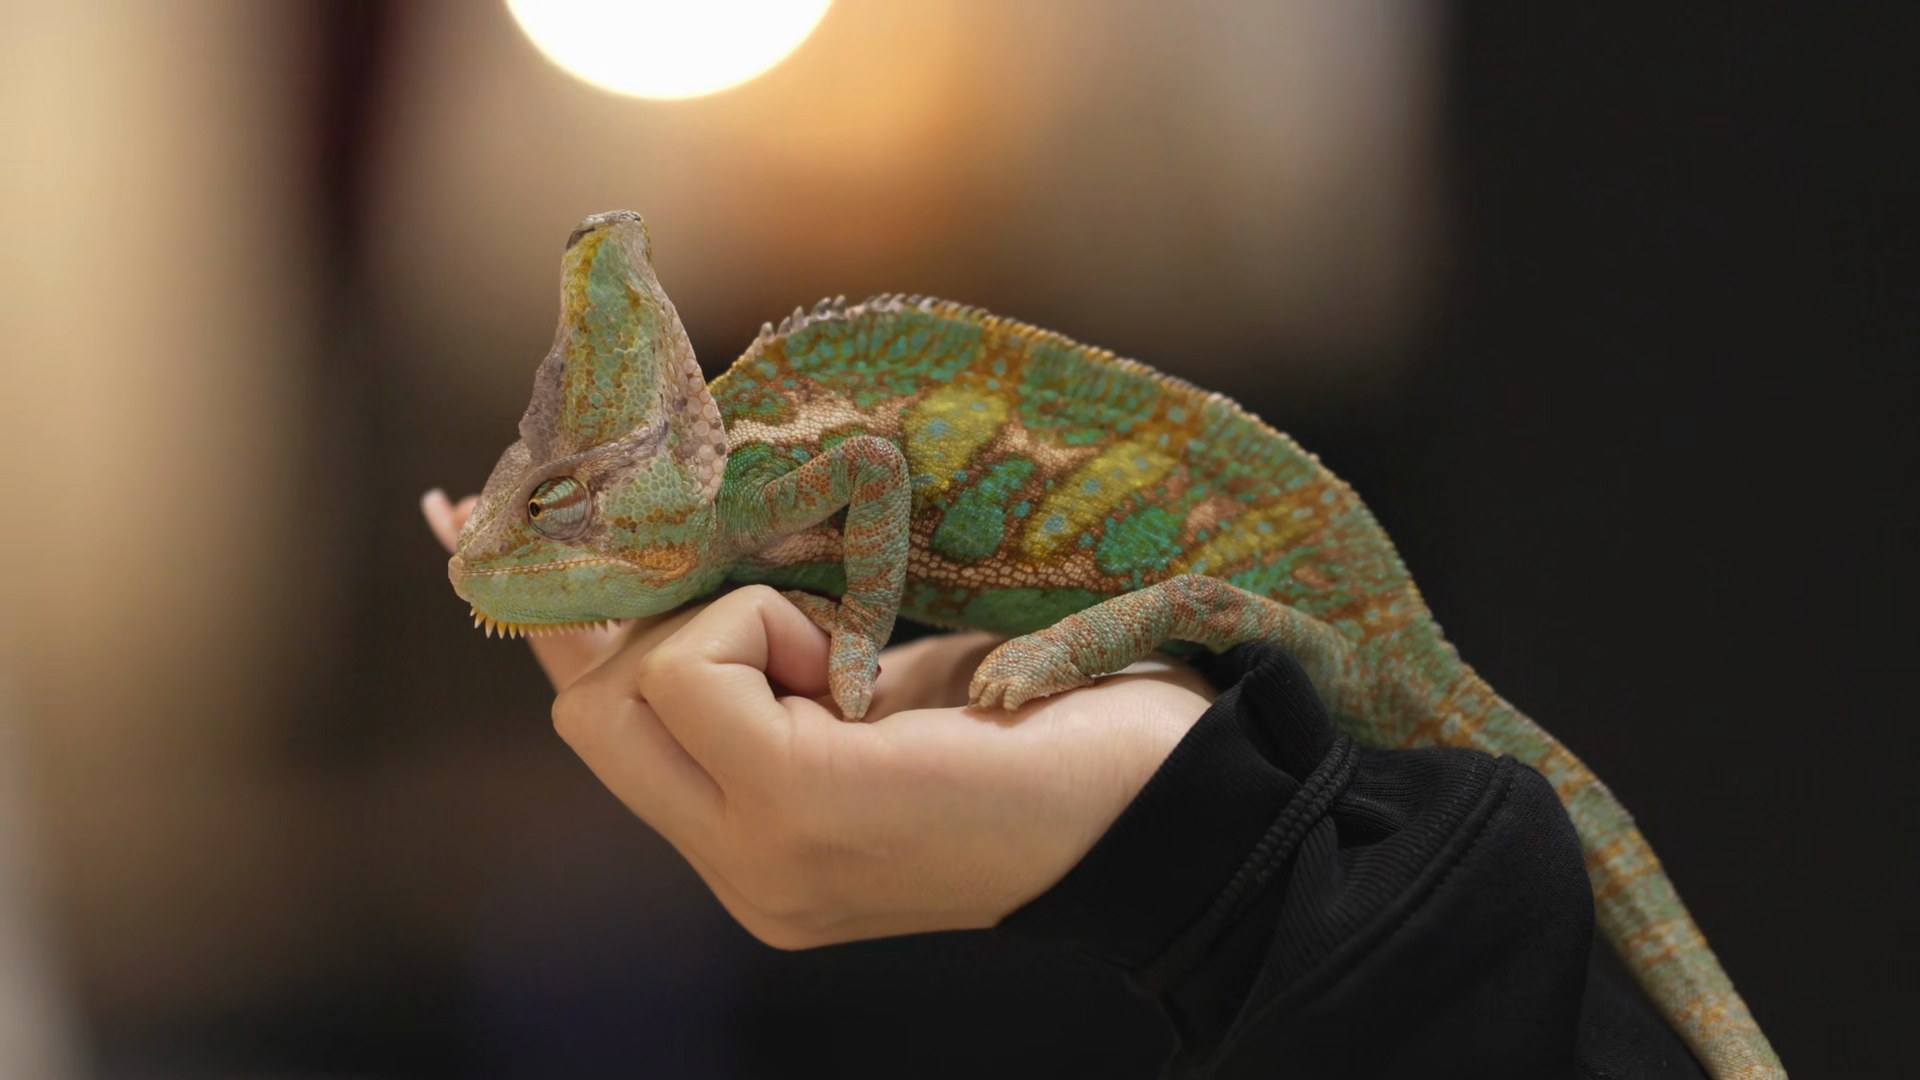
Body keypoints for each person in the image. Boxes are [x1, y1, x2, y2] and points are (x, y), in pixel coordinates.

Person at [423, 490, 1705, 1079]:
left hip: (1244, 560)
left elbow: (876, 477)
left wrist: (1198, 818)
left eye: (564, 510)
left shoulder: (779, 478)